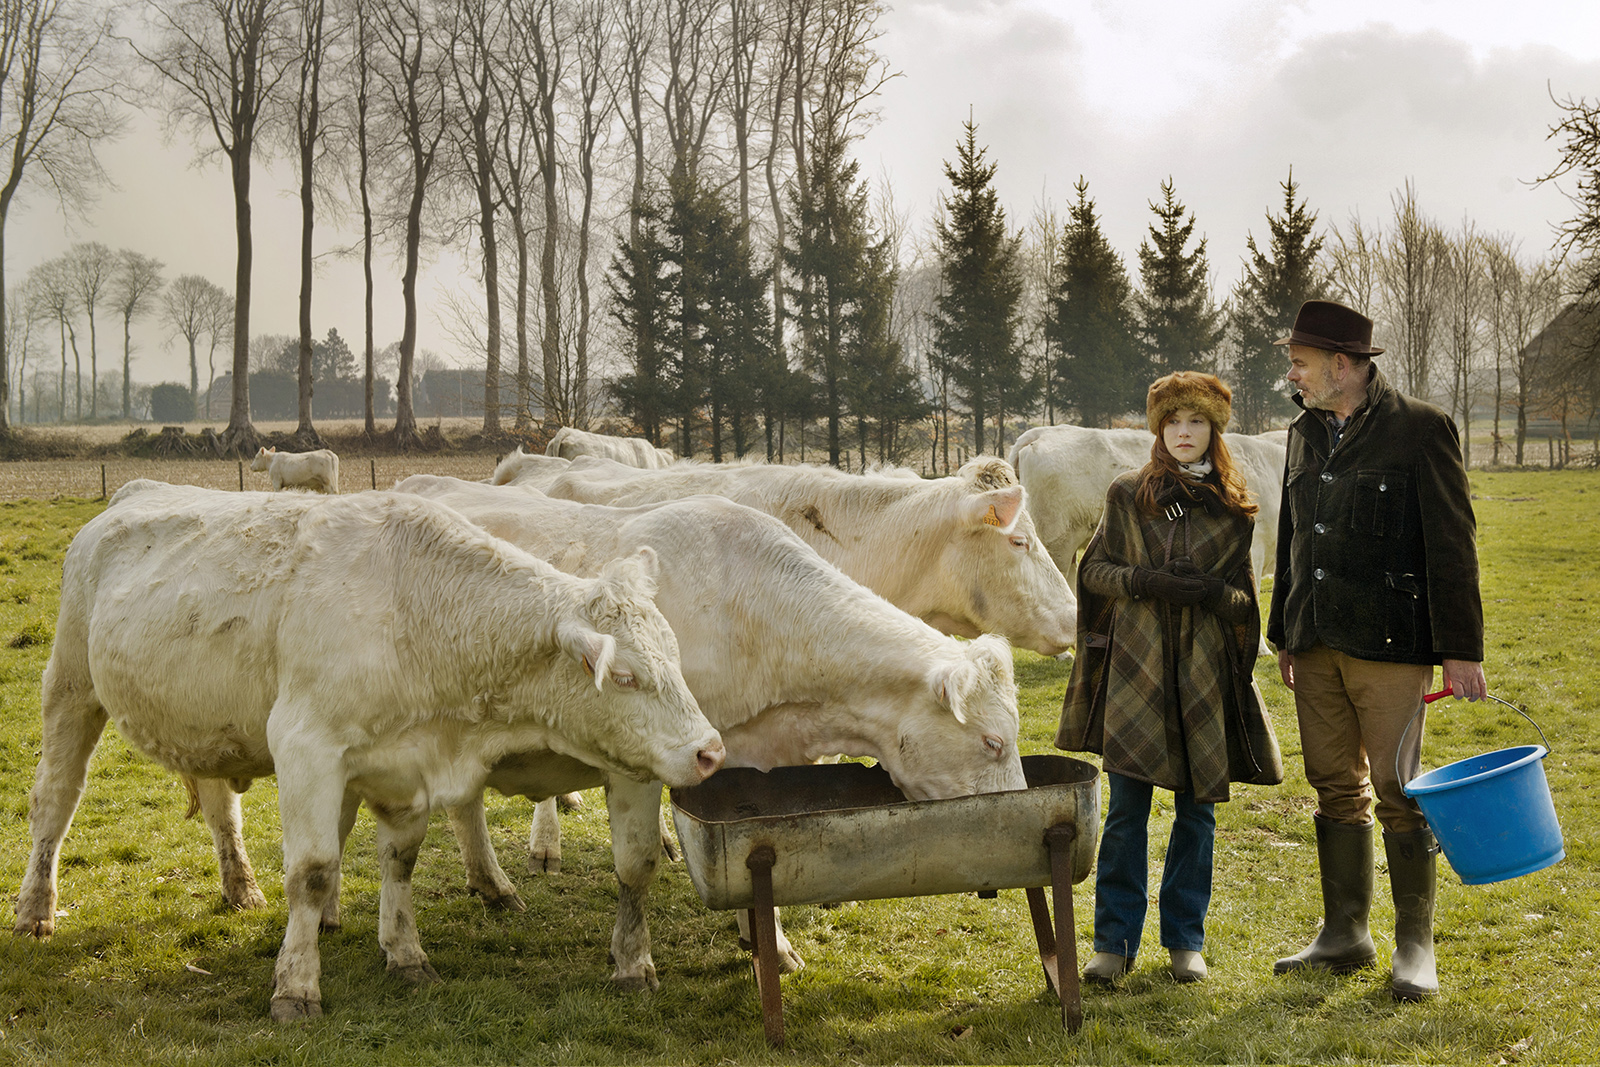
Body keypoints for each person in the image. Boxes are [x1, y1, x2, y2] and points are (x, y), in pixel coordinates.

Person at [1267, 299, 1487, 1001]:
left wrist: (1460, 648)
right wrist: (1283, 629)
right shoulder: (1302, 431)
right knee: (1334, 783)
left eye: (1299, 362)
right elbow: (1290, 536)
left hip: (1391, 641)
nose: (1292, 374)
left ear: (1341, 364)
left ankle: (1414, 945)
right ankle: (1345, 932)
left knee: (1397, 790)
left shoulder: (1422, 429)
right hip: (1316, 637)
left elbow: (1452, 544)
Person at [1057, 371, 1282, 985]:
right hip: (1137, 670)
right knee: (1127, 810)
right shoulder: (1127, 494)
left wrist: (1214, 592)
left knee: (1196, 813)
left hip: (1203, 673)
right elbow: (1094, 571)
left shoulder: (1235, 510)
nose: (1185, 433)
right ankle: (1113, 942)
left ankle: (1186, 941)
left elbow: (1244, 602)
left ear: (1215, 430)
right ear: (1159, 428)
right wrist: (1144, 582)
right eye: (1174, 422)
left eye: (1198, 422)